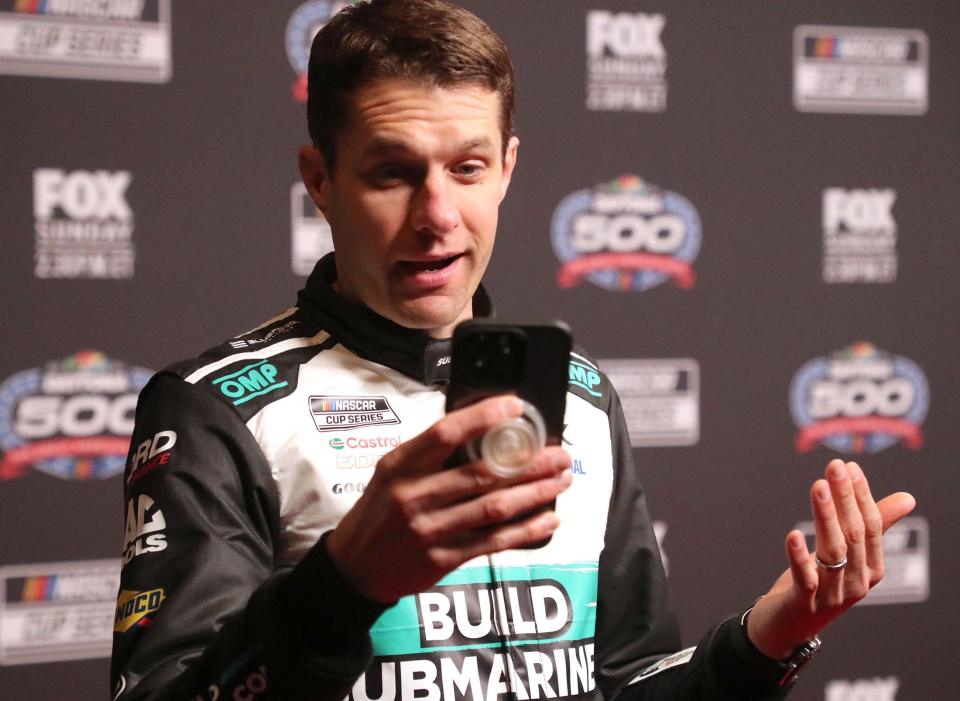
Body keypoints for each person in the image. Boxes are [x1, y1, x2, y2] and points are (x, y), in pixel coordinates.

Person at [110, 1, 916, 700]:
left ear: (507, 169)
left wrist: (767, 638)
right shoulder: (218, 407)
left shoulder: (582, 396)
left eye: (467, 167)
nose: (437, 214)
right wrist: (344, 581)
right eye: (393, 172)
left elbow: (628, 681)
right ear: (319, 180)